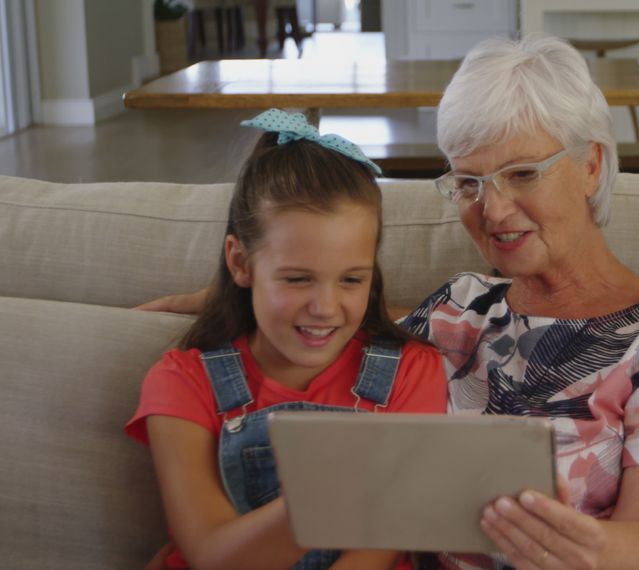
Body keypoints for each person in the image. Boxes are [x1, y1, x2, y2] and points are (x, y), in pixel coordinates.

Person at [399, 34, 639, 570]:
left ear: (589, 166)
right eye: (469, 182)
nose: (492, 210)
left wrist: (543, 535)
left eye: (521, 174)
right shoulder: (454, 311)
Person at [125, 109, 448, 570]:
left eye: (352, 280)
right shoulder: (181, 381)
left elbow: (375, 554)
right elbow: (213, 556)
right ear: (240, 263)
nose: (326, 307)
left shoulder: (413, 371)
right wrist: (344, 490)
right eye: (298, 280)